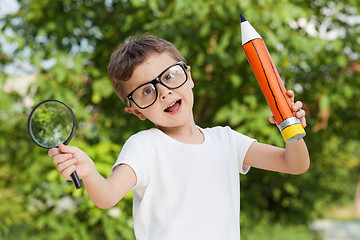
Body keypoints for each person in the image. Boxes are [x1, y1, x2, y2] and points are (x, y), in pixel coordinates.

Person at [48, 35, 310, 240]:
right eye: (146, 91)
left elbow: (295, 164)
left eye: (170, 76)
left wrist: (291, 130)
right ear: (135, 110)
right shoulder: (144, 147)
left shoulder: (227, 141)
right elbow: (106, 197)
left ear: (189, 76)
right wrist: (90, 173)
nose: (163, 92)